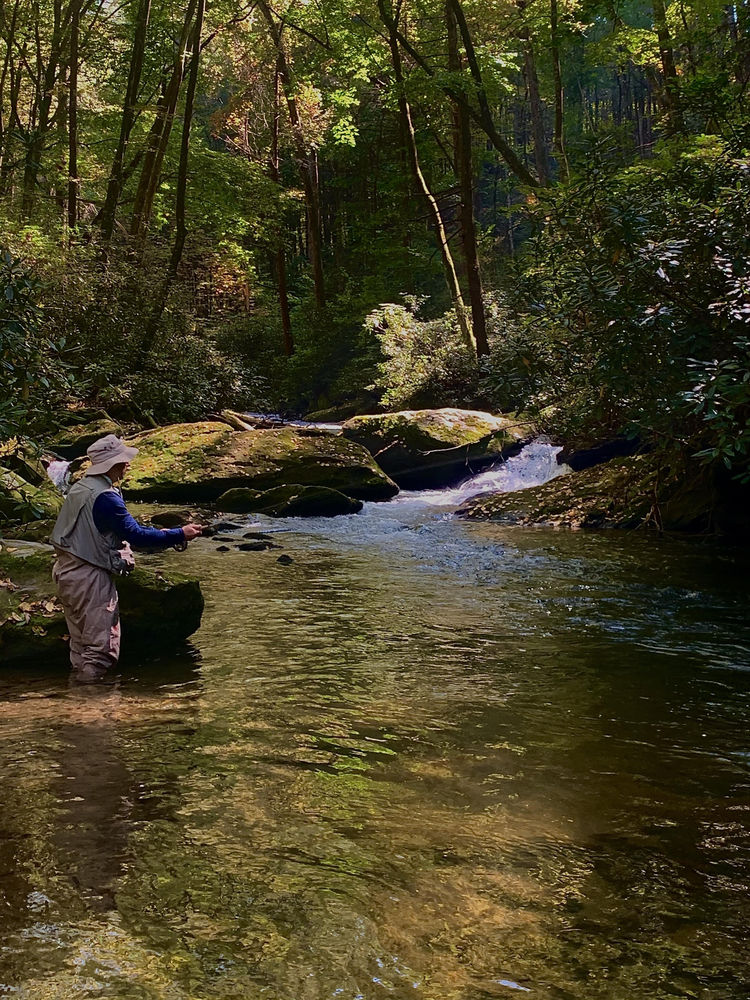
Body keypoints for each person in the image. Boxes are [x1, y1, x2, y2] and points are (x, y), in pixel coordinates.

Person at [50, 434, 203, 683]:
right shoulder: (107, 498)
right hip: (89, 579)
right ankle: (95, 710)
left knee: (80, 648)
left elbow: (111, 530)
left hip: (66, 572)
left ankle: (77, 701)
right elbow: (136, 536)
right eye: (123, 461)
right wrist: (179, 534)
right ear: (113, 465)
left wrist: (165, 534)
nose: (127, 464)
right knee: (100, 653)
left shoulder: (80, 488)